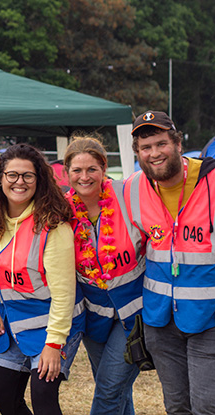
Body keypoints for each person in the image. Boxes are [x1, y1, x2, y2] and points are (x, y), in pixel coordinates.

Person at [0, 143, 85, 415]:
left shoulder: (53, 227)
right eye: (12, 175)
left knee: (43, 397)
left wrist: (54, 344)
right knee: (3, 396)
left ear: (39, 181)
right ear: (0, 178)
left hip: (54, 325)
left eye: (28, 175)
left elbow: (64, 294)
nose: (19, 182)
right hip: (14, 324)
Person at [124, 110, 215, 414]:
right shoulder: (133, 187)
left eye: (161, 144)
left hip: (209, 318)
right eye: (145, 148)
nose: (154, 154)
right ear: (137, 153)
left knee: (206, 406)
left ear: (177, 143)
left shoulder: (211, 181)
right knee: (176, 407)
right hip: (160, 321)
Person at [63, 134, 144, 415]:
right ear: (67, 173)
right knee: (116, 389)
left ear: (104, 169)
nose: (84, 177)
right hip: (94, 317)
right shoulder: (61, 211)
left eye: (91, 169)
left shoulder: (128, 197)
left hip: (134, 315)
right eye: (77, 170)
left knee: (109, 391)